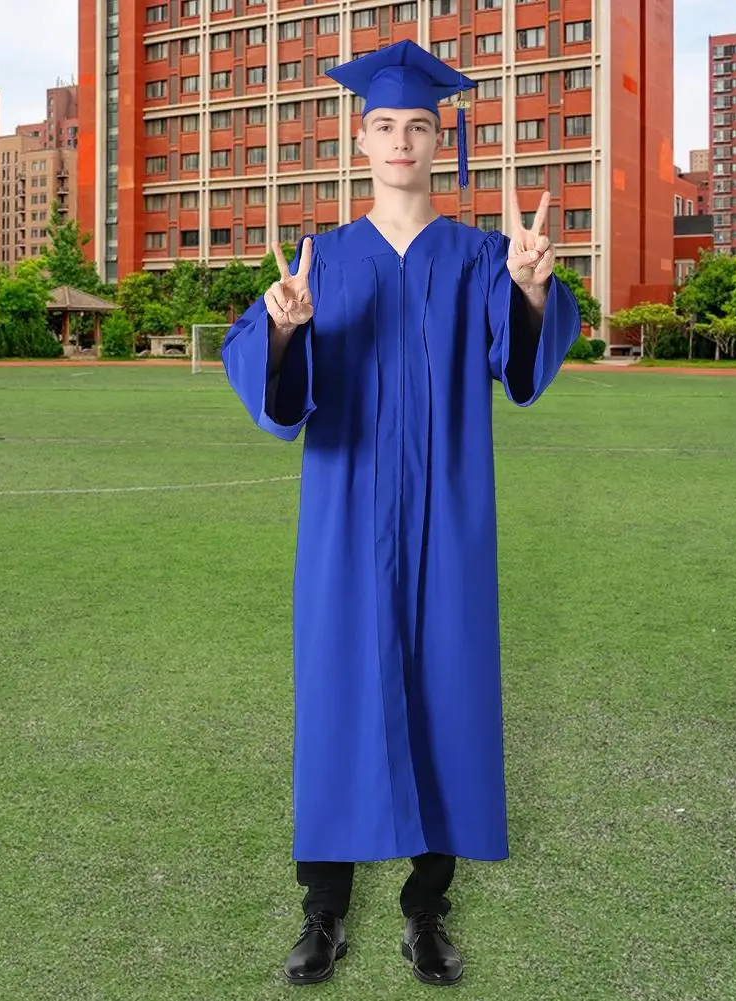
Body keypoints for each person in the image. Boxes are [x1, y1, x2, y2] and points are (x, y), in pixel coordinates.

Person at [220, 39, 581, 987]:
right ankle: (323, 909)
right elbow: (270, 381)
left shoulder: (478, 256)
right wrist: (287, 328)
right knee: (339, 690)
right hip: (344, 512)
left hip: (449, 511)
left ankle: (426, 909)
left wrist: (532, 288)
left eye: (418, 126)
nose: (400, 141)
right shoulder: (323, 259)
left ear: (437, 138)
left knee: (446, 689)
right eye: (383, 125)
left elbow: (519, 367)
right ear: (361, 138)